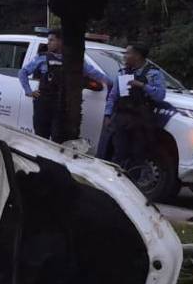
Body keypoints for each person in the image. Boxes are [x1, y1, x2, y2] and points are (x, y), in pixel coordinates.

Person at [18, 29, 110, 141]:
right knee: (41, 136)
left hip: (61, 103)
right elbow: (23, 72)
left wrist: (111, 83)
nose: (48, 43)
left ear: (60, 41)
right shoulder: (42, 57)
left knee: (58, 137)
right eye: (48, 40)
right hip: (44, 102)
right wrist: (28, 91)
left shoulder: (72, 59)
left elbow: (93, 72)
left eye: (52, 40)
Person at [105, 43, 166, 182]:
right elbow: (113, 95)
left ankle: (131, 187)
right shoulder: (123, 72)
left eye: (128, 53)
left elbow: (160, 95)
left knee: (137, 154)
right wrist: (108, 114)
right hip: (122, 117)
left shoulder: (153, 74)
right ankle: (114, 183)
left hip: (141, 120)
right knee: (119, 153)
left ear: (137, 55)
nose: (124, 56)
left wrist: (142, 86)